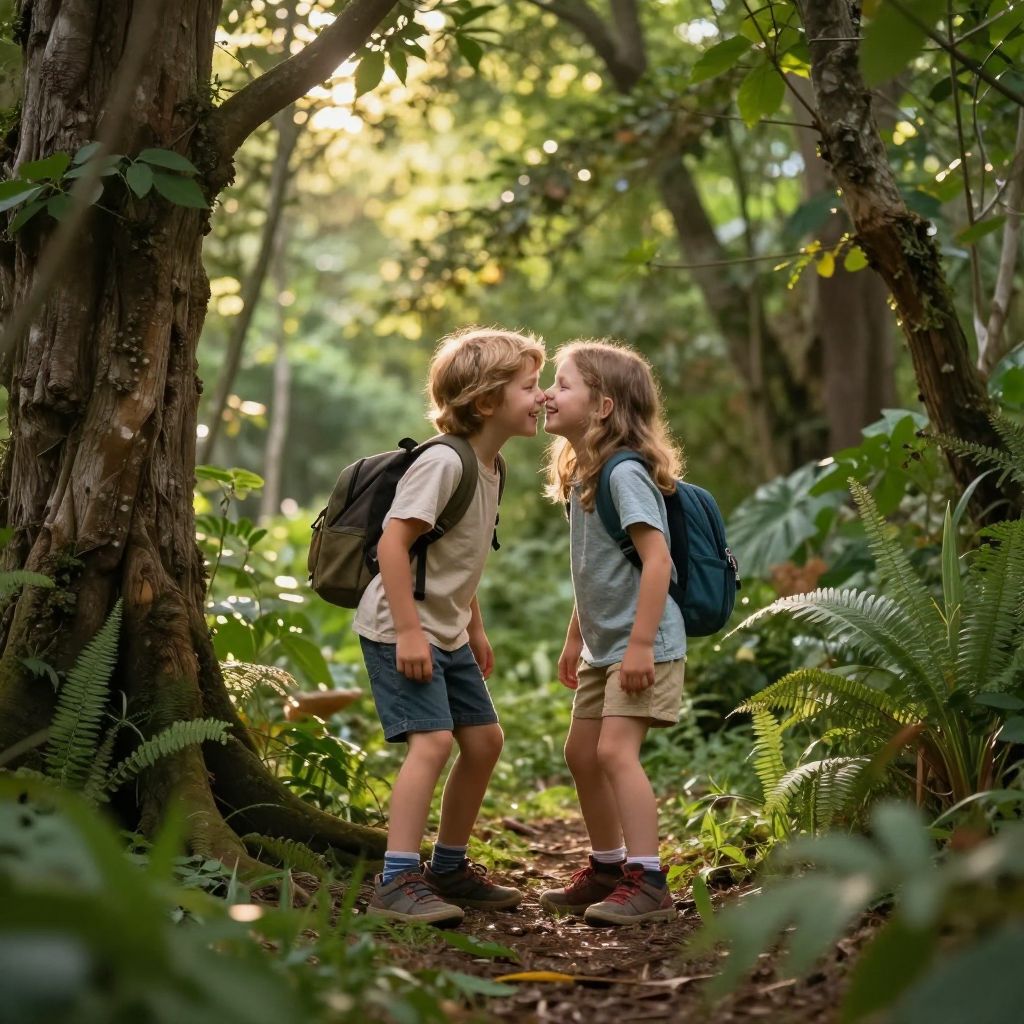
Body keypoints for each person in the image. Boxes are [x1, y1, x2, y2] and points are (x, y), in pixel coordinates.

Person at [356, 326, 546, 926]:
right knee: (433, 742)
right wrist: (411, 633)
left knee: (484, 742)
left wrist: (475, 626)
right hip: (400, 627)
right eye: (530, 386)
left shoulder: (491, 466)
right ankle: (396, 879)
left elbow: (461, 556)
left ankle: (449, 867)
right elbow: (394, 545)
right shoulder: (443, 461)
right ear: (486, 401)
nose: (540, 397)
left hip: (449, 630)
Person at [539, 339, 685, 926]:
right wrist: (577, 637)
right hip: (606, 647)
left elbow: (657, 562)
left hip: (644, 644)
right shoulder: (585, 474)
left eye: (563, 383)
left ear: (601, 407)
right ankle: (607, 866)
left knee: (614, 753)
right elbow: (595, 569)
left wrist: (642, 644)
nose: (548, 393)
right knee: (581, 753)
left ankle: (648, 880)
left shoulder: (623, 473)